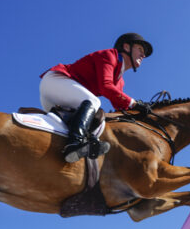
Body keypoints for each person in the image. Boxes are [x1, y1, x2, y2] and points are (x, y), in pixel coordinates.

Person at [40, 32, 154, 163]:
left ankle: (77, 145)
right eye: (140, 49)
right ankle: (74, 144)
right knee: (94, 102)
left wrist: (142, 113)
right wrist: (134, 103)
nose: (143, 55)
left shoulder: (120, 81)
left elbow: (120, 107)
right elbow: (106, 87)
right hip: (56, 81)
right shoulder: (110, 55)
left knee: (95, 118)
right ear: (127, 47)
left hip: (61, 98)